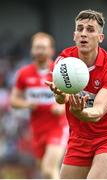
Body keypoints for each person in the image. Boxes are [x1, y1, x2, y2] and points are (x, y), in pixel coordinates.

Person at [46, 9, 107, 179]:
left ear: (100, 38)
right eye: (80, 29)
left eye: (90, 29)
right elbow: (61, 98)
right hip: (79, 138)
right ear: (74, 35)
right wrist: (59, 95)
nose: (84, 34)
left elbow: (98, 112)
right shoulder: (63, 61)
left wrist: (80, 112)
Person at [10, 32, 68, 179]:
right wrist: (27, 104)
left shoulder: (60, 71)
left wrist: (61, 107)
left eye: (43, 47)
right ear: (32, 50)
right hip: (37, 129)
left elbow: (73, 96)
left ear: (51, 50)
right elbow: (13, 101)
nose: (40, 51)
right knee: (44, 170)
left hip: (58, 127)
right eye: (37, 47)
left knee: (49, 169)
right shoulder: (24, 74)